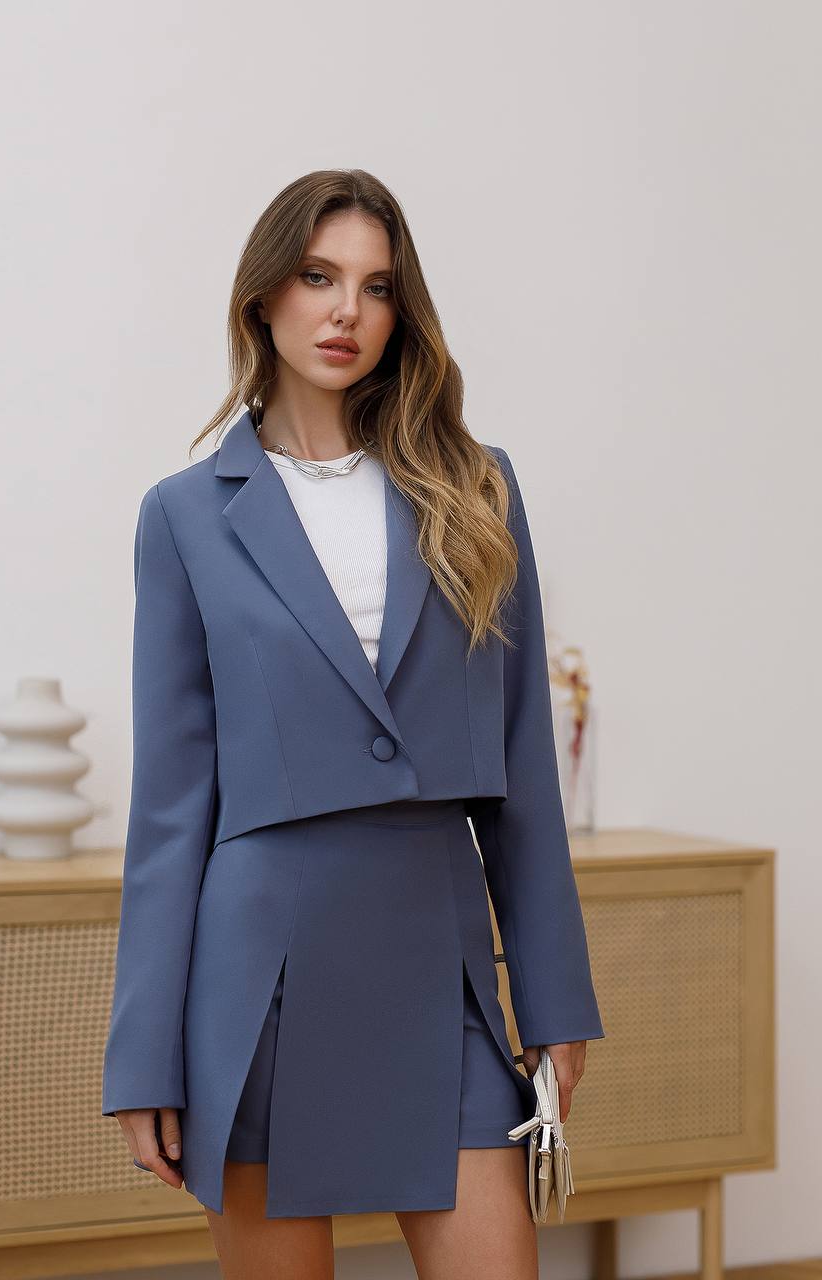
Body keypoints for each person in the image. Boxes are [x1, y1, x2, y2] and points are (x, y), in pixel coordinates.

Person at [102, 168, 604, 1279]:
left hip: (440, 960)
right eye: (318, 277)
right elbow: (170, 811)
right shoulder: (184, 517)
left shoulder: (475, 489)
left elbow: (522, 765)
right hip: (260, 978)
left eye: (376, 287)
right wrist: (143, 1058)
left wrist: (555, 995)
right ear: (263, 298)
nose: (346, 311)